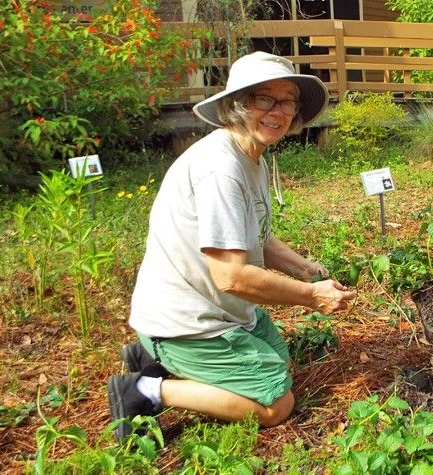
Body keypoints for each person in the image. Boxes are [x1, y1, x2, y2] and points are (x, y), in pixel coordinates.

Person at [107, 52, 356, 441]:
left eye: (287, 100)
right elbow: (231, 275)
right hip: (189, 322)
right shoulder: (220, 169)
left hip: (219, 313)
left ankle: (150, 356)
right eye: (264, 99)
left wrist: (306, 269)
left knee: (279, 366)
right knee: (276, 405)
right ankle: (143, 391)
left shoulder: (249, 156)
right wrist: (311, 296)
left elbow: (256, 235)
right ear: (237, 105)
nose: (278, 111)